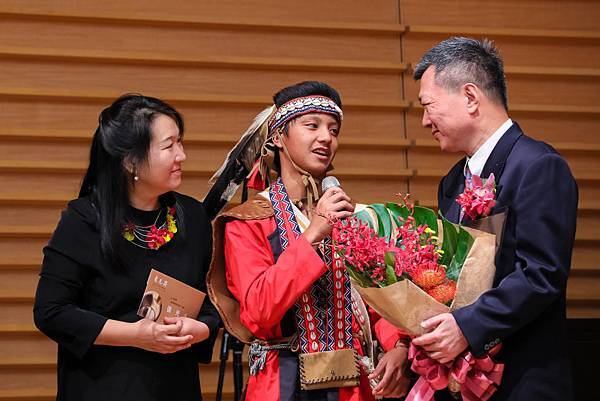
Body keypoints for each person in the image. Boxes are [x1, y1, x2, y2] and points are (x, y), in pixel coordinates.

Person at [207, 81, 411, 401]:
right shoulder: (249, 222)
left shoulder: (350, 215)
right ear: (278, 137)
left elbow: (377, 299)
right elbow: (258, 311)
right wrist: (313, 235)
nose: (326, 137)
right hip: (281, 382)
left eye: (333, 129)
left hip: (351, 385)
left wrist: (399, 346)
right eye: (312, 125)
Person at [410, 37, 578, 401]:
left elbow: (541, 274)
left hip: (523, 379)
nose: (424, 121)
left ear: (470, 97)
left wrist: (467, 327)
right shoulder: (453, 181)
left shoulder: (538, 167)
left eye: (428, 106)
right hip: (459, 381)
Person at [33, 94, 221, 401]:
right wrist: (136, 335)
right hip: (102, 387)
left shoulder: (193, 217)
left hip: (175, 386)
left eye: (180, 142)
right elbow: (51, 312)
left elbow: (212, 302)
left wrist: (200, 329)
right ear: (130, 160)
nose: (182, 155)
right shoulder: (84, 221)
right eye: (169, 145)